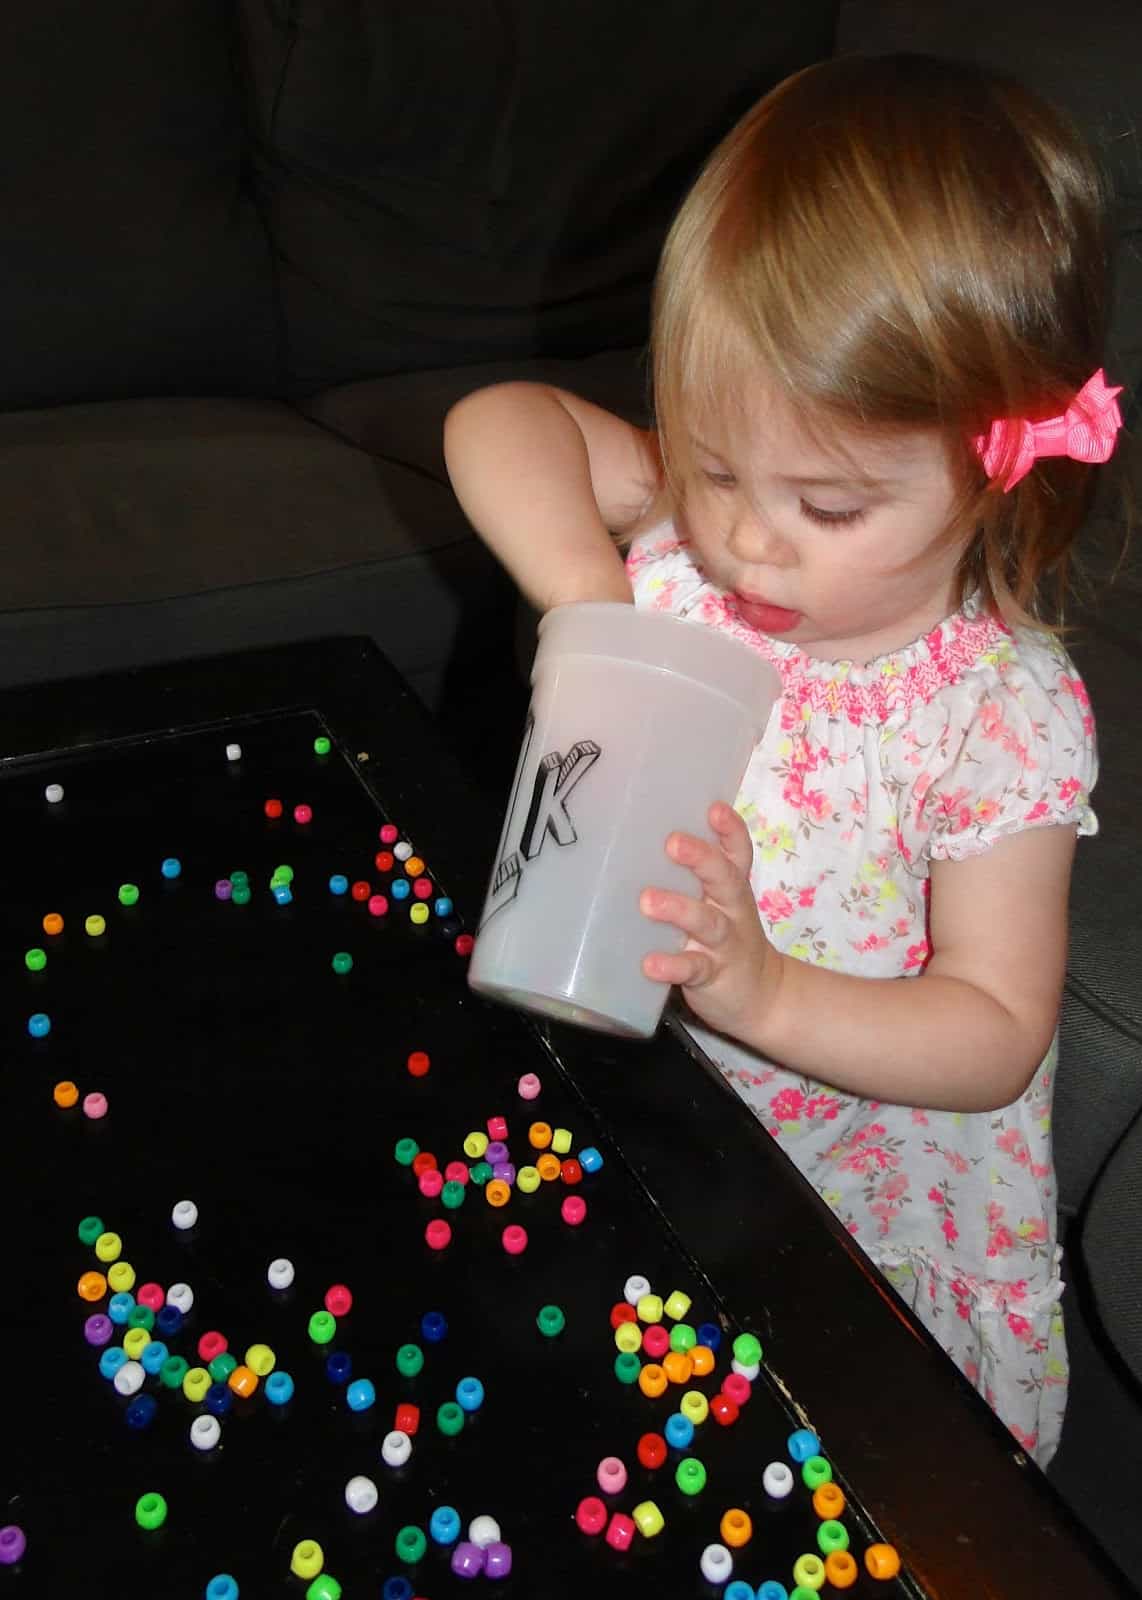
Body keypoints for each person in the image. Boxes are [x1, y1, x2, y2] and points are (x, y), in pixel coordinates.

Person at [443, 53, 1126, 1467]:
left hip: (854, 1203)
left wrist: (759, 985)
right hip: (660, 1113)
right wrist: (587, 591)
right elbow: (493, 422)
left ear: (997, 462)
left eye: (824, 501)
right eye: (708, 463)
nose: (747, 540)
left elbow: (992, 1034)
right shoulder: (695, 547)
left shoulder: (995, 718)